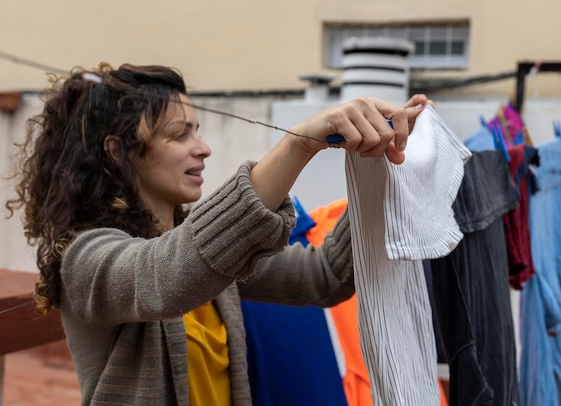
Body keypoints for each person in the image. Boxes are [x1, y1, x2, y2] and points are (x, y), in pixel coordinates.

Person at [5, 62, 430, 406]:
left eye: (198, 129)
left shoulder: (214, 263)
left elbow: (324, 276)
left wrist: (386, 170)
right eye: (179, 134)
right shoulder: (86, 259)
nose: (203, 147)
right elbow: (166, 277)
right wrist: (300, 143)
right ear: (117, 152)